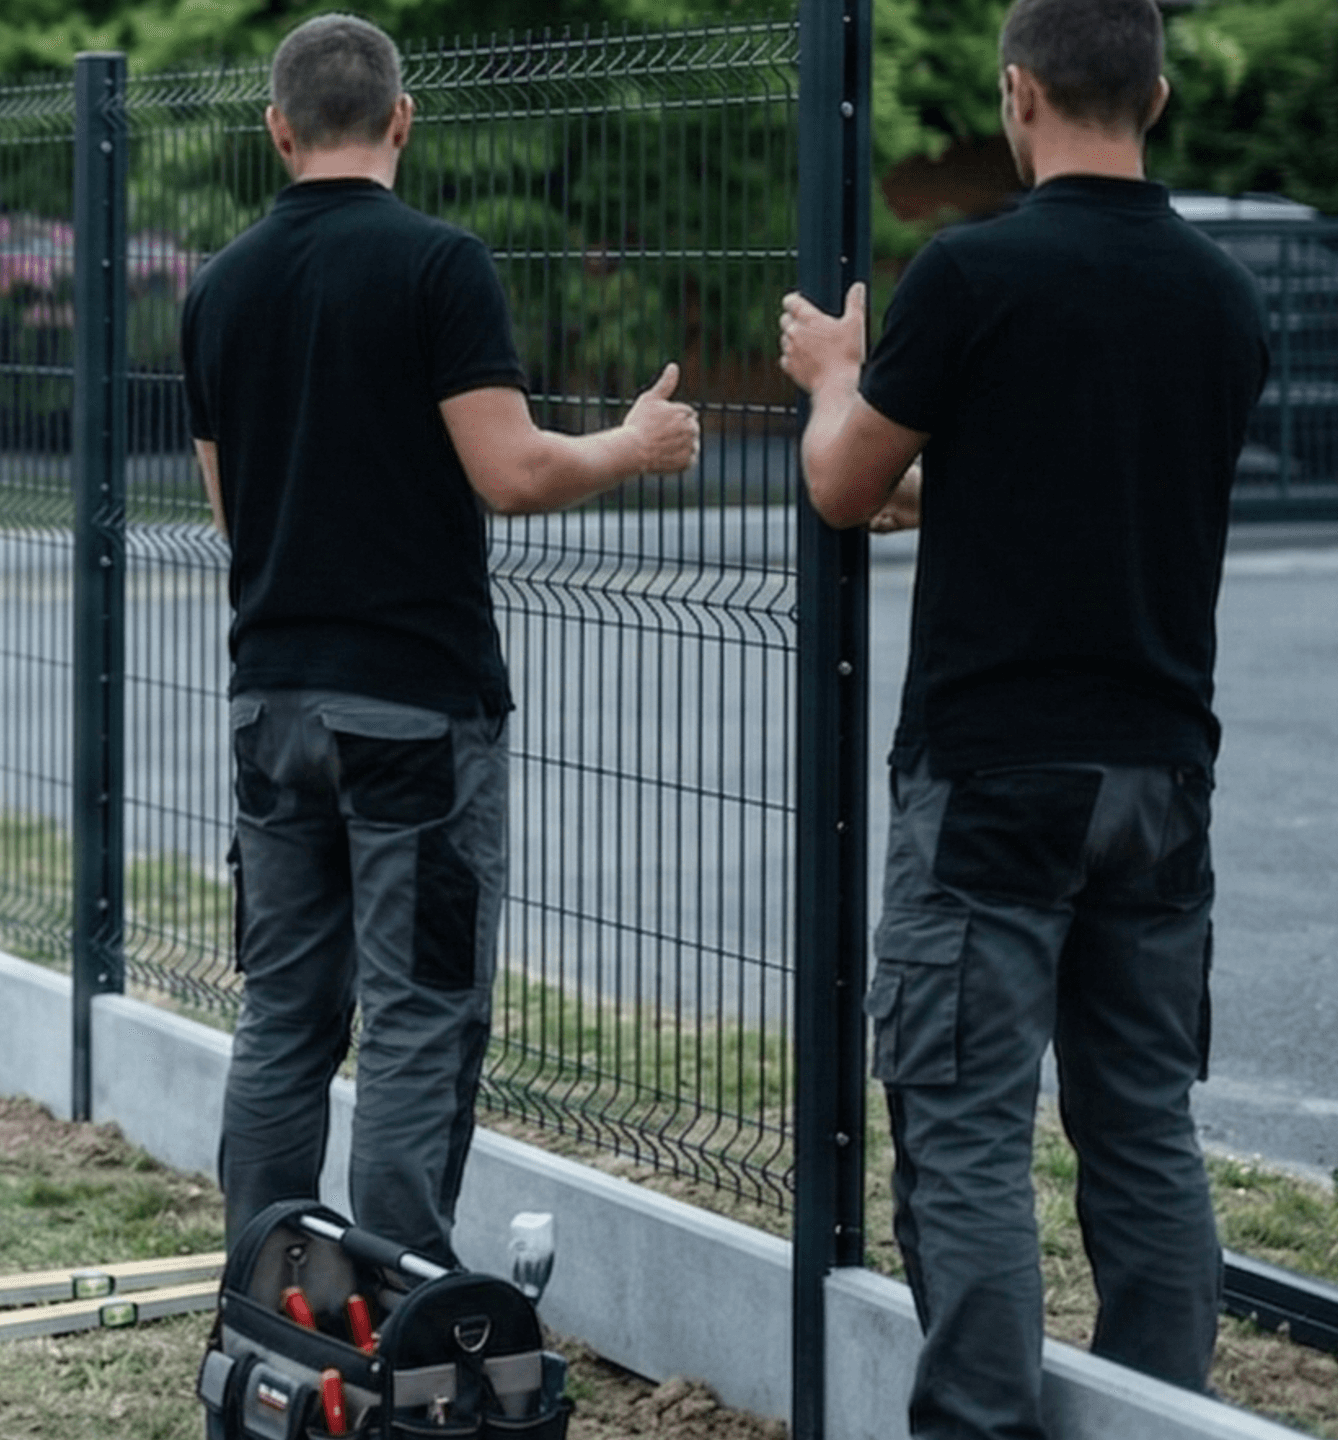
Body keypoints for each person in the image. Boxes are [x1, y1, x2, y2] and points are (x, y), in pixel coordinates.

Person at [777, 0, 1266, 1431]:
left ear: (1018, 94)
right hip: (1164, 772)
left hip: (992, 775)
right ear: (1159, 97)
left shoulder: (973, 274)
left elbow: (845, 486)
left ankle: (978, 1424)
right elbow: (1073, 494)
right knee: (1143, 1131)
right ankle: (1164, 1414)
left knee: (968, 1125)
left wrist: (835, 379)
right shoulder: (1221, 297)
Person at [184, 12, 697, 1262]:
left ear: (279, 130)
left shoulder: (217, 289)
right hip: (413, 709)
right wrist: (634, 446)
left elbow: (229, 510)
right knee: (419, 1014)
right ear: (403, 120)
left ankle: (272, 1288)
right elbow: (511, 473)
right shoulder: (438, 265)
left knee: (287, 1016)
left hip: (272, 705)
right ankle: (397, 1301)